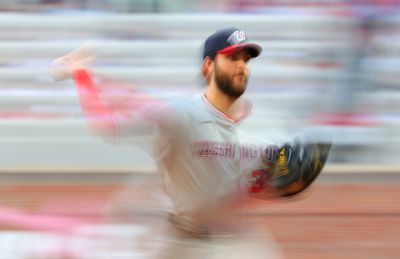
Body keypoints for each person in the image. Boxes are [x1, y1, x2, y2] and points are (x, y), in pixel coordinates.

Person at [51, 27, 331, 258]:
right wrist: (82, 75)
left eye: (246, 59)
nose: (241, 66)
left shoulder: (268, 125)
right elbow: (107, 125)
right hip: (183, 244)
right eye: (231, 57)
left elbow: (264, 185)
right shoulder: (179, 116)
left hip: (238, 243)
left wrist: (286, 185)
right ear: (208, 66)